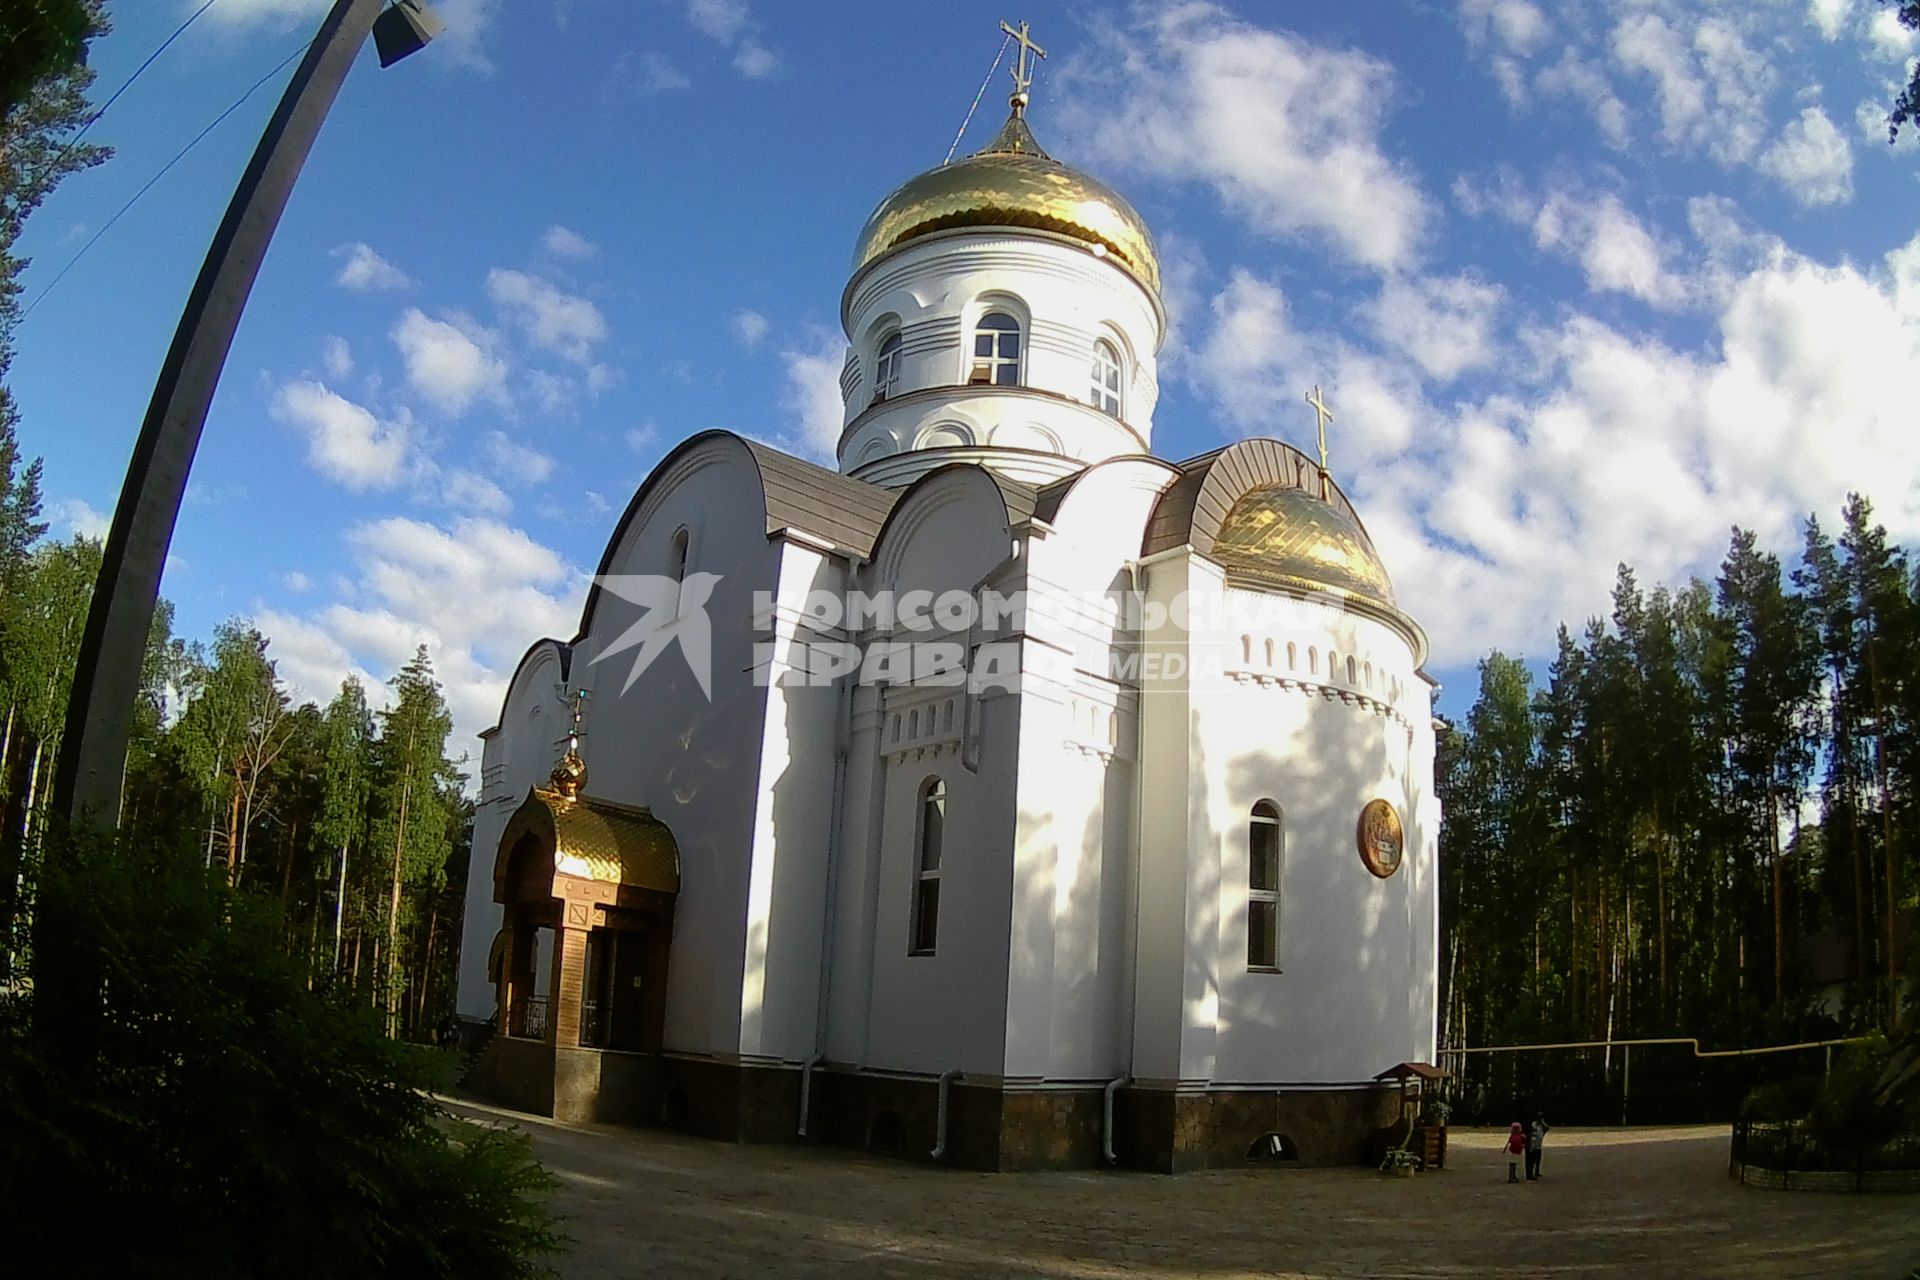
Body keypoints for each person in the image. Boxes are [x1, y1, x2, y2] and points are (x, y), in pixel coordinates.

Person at [1527, 1113, 1550, 1180]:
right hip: (1534, 1145)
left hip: (1539, 1145)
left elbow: (1547, 1128)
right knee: (1532, 1161)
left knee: (1538, 1160)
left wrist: (1543, 1123)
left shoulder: (1541, 1126)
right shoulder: (1534, 1124)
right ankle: (1530, 1173)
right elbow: (1532, 1132)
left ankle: (1537, 1172)